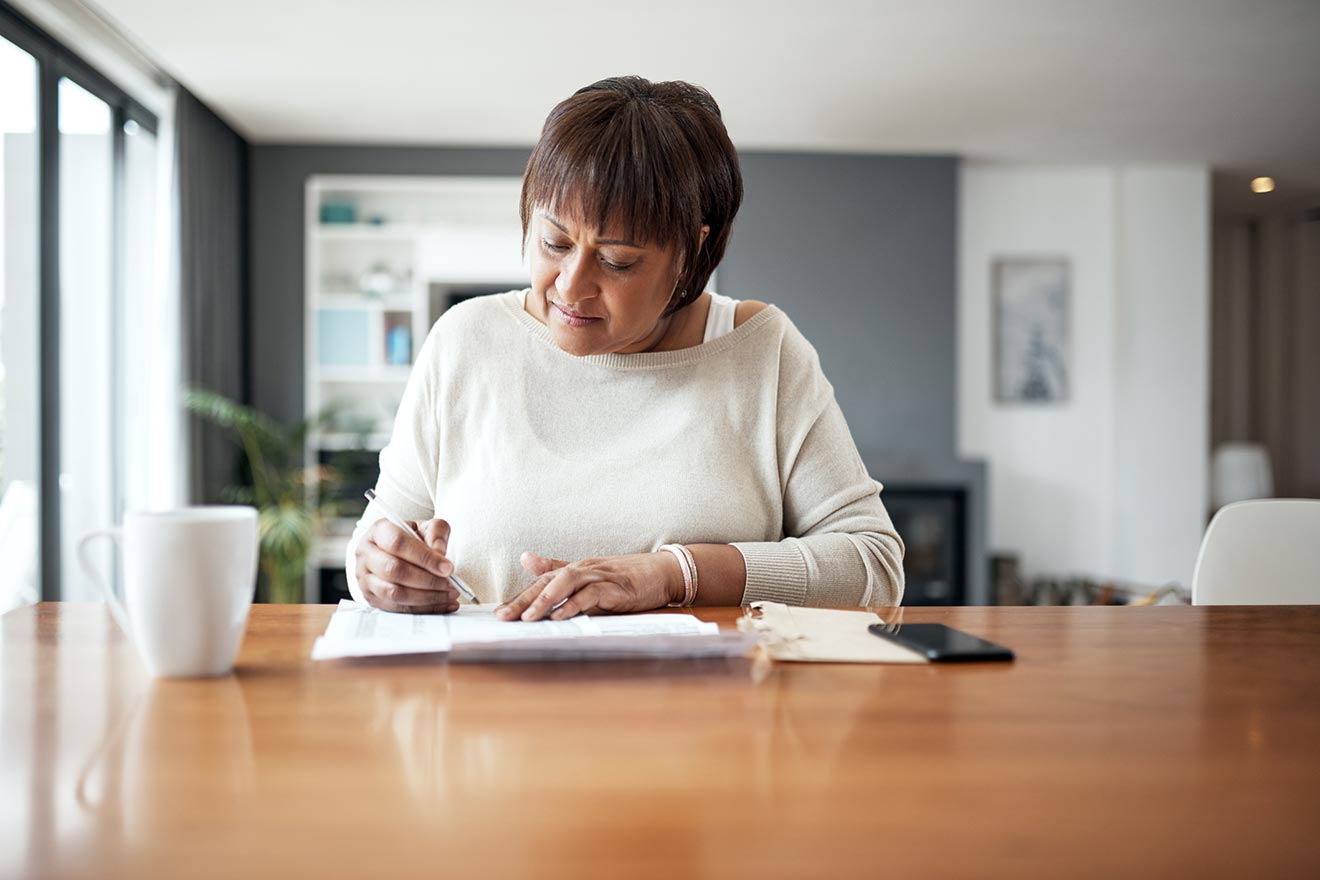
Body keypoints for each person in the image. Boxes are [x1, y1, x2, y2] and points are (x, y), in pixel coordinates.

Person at [346, 76, 904, 621]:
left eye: (617, 261)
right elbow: (376, 542)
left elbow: (873, 566)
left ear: (692, 248)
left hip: (710, 712)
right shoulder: (465, 340)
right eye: (554, 242)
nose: (570, 284)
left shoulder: (762, 352)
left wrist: (676, 574)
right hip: (490, 708)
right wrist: (379, 570)